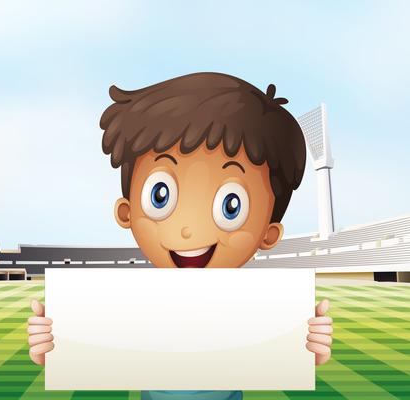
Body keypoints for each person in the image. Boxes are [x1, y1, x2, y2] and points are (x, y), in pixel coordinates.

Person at [28, 72, 333, 400]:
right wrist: (52, 346)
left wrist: (308, 347)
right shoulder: (130, 304)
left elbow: (276, 350)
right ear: (126, 212)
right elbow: (95, 346)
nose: (189, 230)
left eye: (231, 205)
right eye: (161, 195)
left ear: (268, 234)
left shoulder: (251, 305)